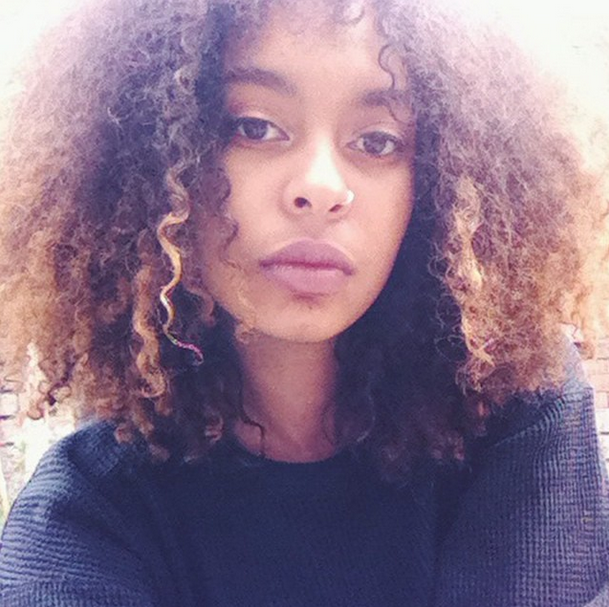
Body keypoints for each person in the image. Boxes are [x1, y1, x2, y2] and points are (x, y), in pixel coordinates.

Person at [0, 0, 608, 605]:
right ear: (144, 158)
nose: (321, 186)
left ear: (433, 187)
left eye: (378, 140)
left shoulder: (515, 404)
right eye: (254, 127)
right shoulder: (88, 519)